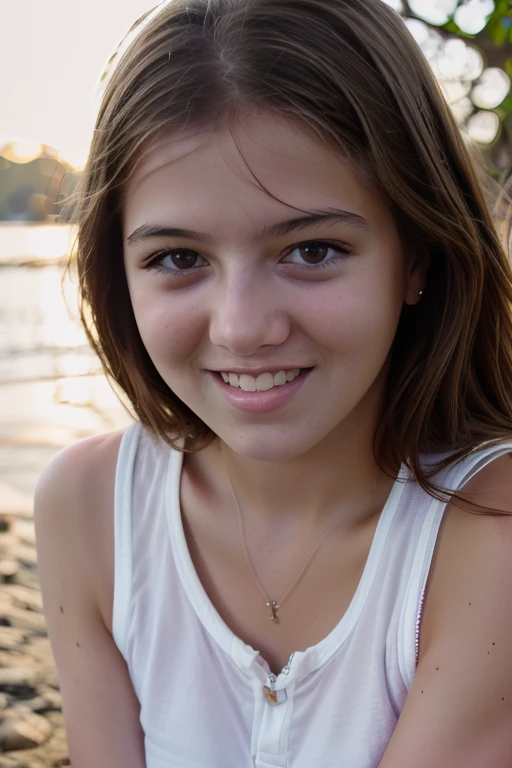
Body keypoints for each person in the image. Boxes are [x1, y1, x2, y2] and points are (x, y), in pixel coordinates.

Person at [34, 0, 512, 766]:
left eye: (313, 250)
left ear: (416, 256)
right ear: (118, 276)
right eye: (179, 259)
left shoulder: (489, 534)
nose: (242, 328)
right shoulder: (89, 508)